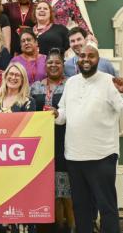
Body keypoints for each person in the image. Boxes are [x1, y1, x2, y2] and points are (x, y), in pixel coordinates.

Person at [54, 41, 123, 233]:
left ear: (97, 59)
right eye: (82, 56)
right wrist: (55, 115)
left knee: (106, 207)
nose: (86, 60)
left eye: (90, 56)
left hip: (103, 156)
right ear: (77, 60)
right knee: (81, 207)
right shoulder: (71, 83)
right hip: (75, 157)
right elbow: (63, 115)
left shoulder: (110, 81)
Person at [31, 50, 74, 233]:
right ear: (45, 66)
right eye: (50, 63)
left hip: (65, 141)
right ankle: (54, 227)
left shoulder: (71, 86)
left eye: (57, 62)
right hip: (42, 144)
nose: (53, 65)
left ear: (63, 65)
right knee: (49, 190)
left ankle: (72, 226)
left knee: (66, 189)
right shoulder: (35, 87)